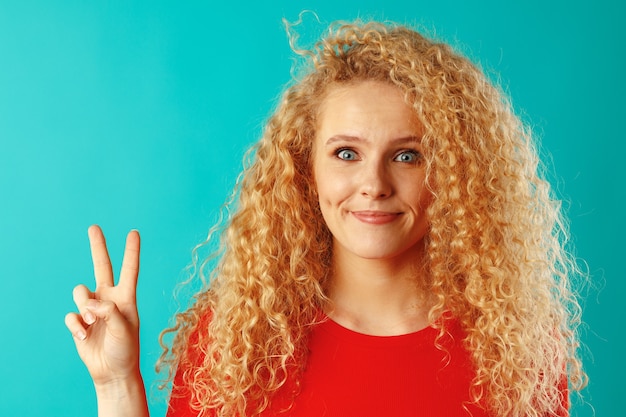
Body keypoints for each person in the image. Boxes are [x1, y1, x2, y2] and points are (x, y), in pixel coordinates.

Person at [65, 19, 587, 417]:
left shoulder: (513, 348)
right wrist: (117, 386)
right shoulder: (237, 338)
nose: (375, 185)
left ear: (455, 172)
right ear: (304, 168)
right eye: (346, 153)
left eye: (408, 155)